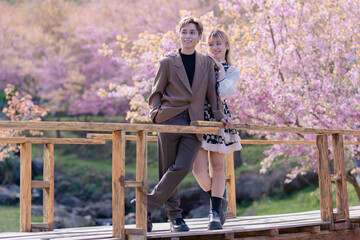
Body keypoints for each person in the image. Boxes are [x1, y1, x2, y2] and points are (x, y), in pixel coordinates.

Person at [136, 16, 233, 233]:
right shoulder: (167, 62)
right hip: (168, 120)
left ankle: (146, 206)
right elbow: (156, 93)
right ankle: (175, 218)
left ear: (199, 37)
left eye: (192, 32)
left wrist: (220, 117)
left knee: (184, 167)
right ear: (179, 35)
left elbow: (212, 96)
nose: (188, 36)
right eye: (184, 32)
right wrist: (156, 115)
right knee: (166, 170)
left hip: (194, 122)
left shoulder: (206, 63)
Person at [192, 29, 242, 230]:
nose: (214, 48)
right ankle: (219, 201)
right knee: (197, 169)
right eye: (211, 44)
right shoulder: (200, 65)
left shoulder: (232, 70)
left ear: (227, 46)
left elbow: (223, 92)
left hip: (218, 117)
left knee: (218, 167)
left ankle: (214, 213)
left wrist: (220, 70)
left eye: (219, 44)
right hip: (197, 118)